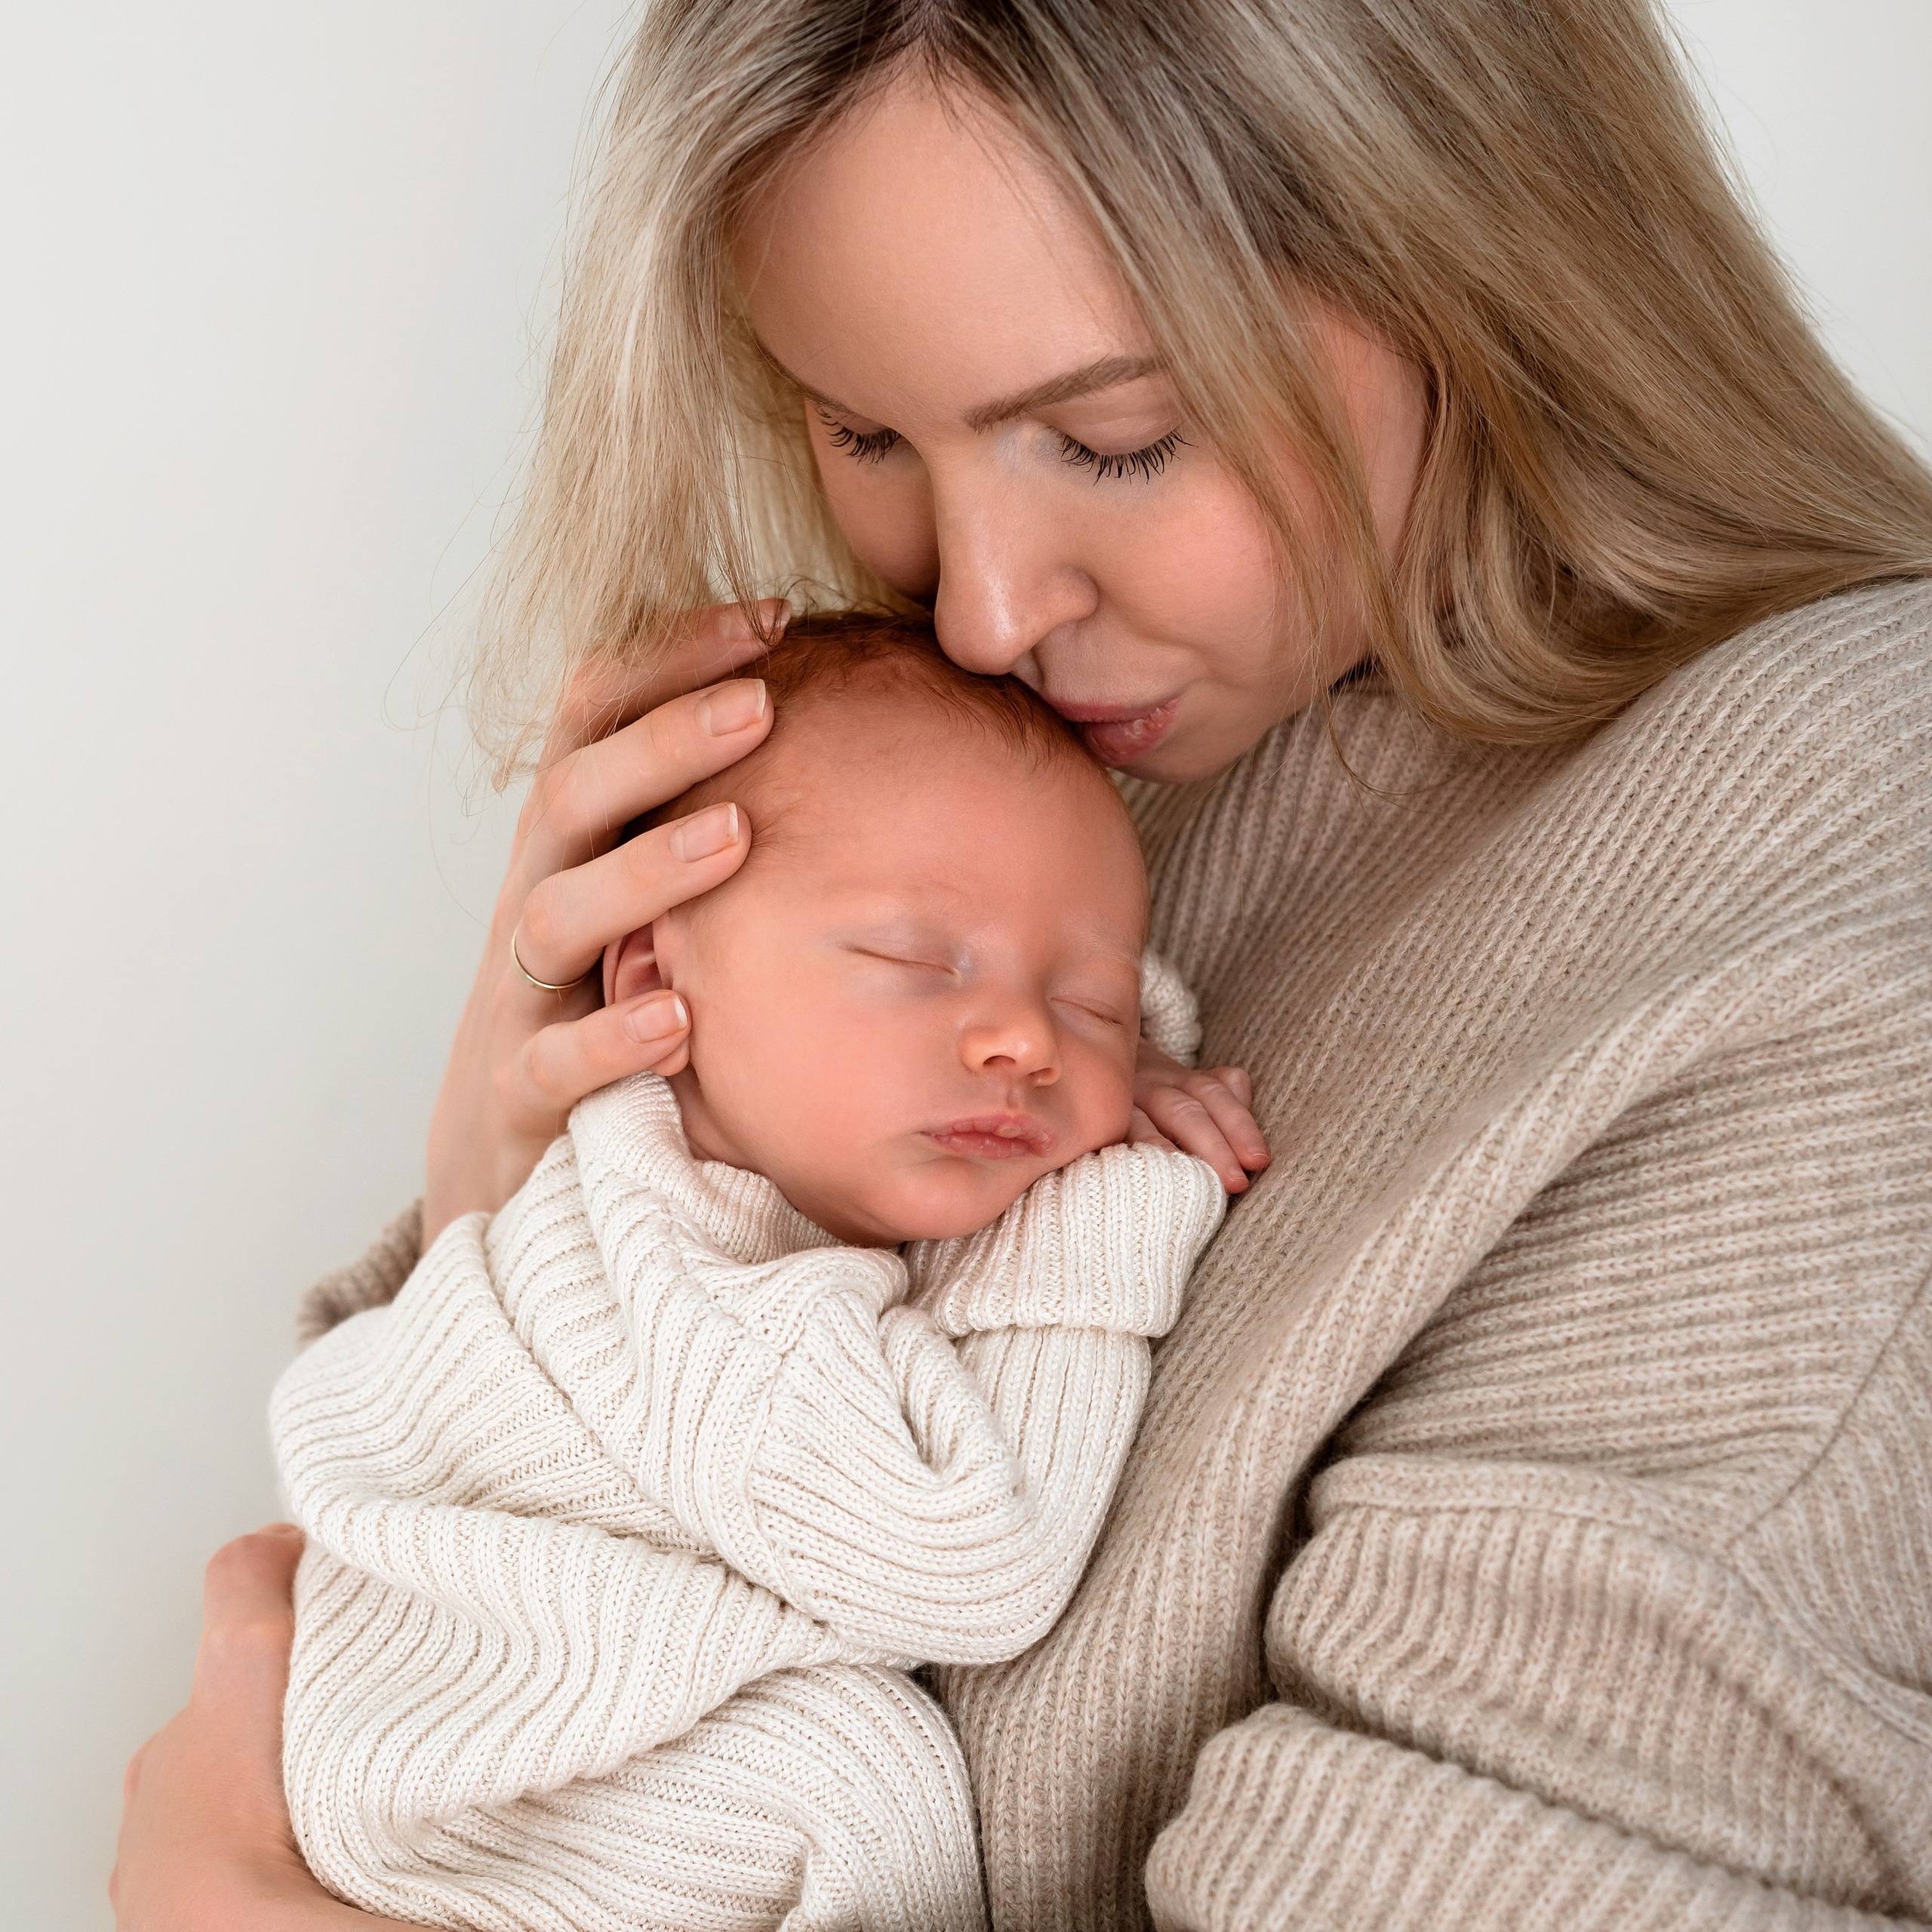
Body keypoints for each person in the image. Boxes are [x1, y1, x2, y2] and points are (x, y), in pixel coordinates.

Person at [113, 2, 1932, 1928]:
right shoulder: (1096, 751)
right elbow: (482, 1639)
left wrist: (242, 1908)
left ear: (1487, 259)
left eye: (1113, 438)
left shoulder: (1830, 865)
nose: (981, 613)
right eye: (862, 429)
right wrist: (523, 1178)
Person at [272, 615, 1240, 1932]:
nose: (1023, 1038)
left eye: (1096, 1005)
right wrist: (1105, 1204)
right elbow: (973, 1564)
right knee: (855, 1780)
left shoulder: (752, 1179)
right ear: (655, 982)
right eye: (917, 963)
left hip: (480, 1757)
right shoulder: (698, 1283)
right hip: (473, 1789)